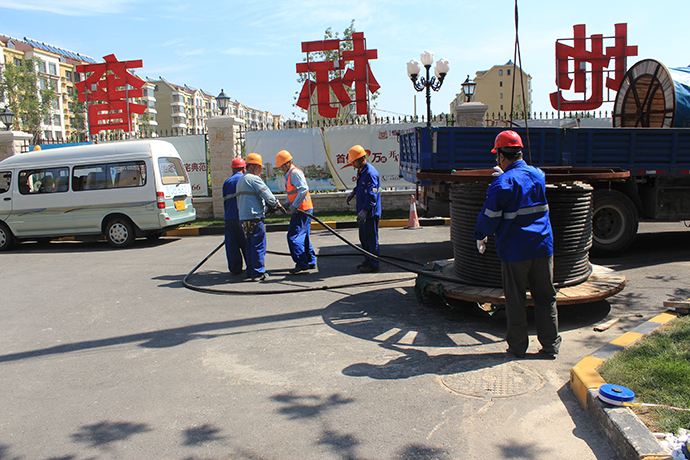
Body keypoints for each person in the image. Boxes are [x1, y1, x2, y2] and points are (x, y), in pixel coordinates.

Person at [473, 130, 561, 359]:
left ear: (501, 156)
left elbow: (490, 216)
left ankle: (518, 348)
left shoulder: (502, 183)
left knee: (515, 300)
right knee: (546, 297)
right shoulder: (538, 175)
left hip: (515, 252)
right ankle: (551, 346)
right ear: (520, 152)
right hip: (542, 246)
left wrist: (480, 234)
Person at [236, 153, 282, 281]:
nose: (260, 170)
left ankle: (250, 270)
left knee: (249, 245)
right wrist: (277, 204)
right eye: (259, 167)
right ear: (251, 167)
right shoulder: (254, 179)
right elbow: (268, 196)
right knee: (258, 245)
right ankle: (258, 272)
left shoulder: (241, 181)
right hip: (255, 218)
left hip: (244, 219)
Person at [275, 150, 316, 274]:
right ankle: (310, 260)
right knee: (303, 236)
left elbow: (303, 189)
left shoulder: (295, 173)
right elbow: (292, 192)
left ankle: (302, 263)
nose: (281, 168)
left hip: (302, 210)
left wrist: (294, 206)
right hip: (303, 208)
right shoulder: (289, 175)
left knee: (293, 236)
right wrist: (287, 204)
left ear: (288, 163)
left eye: (282, 165)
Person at [346, 145, 381, 273]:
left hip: (370, 213)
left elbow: (372, 196)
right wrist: (353, 192)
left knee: (370, 240)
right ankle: (368, 260)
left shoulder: (370, 173)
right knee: (364, 239)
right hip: (363, 212)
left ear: (361, 159)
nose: (352, 164)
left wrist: (364, 211)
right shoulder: (361, 170)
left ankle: (374, 264)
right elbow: (361, 186)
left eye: (353, 161)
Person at [222, 157, 248, 275]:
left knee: (232, 244)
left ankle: (235, 268)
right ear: (244, 168)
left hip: (229, 217)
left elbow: (225, 202)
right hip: (241, 216)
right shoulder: (244, 180)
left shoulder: (227, 182)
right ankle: (251, 267)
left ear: (232, 169)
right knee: (246, 242)